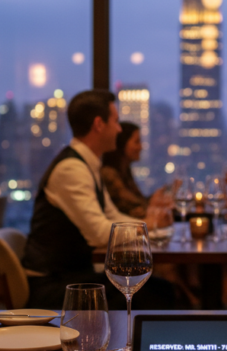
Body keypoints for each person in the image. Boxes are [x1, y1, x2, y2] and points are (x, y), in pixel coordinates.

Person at [22, 90, 175, 310]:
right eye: (116, 121)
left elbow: (113, 217)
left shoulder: (87, 164)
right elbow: (99, 234)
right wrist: (146, 226)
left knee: (161, 289)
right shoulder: (71, 169)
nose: (119, 129)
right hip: (52, 285)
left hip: (70, 276)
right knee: (157, 295)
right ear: (99, 124)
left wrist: (145, 226)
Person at [100, 122, 173, 218]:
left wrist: (155, 198)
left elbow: (138, 202)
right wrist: (153, 204)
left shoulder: (124, 171)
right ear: (122, 143)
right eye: (137, 142)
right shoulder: (109, 174)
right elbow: (132, 207)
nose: (141, 147)